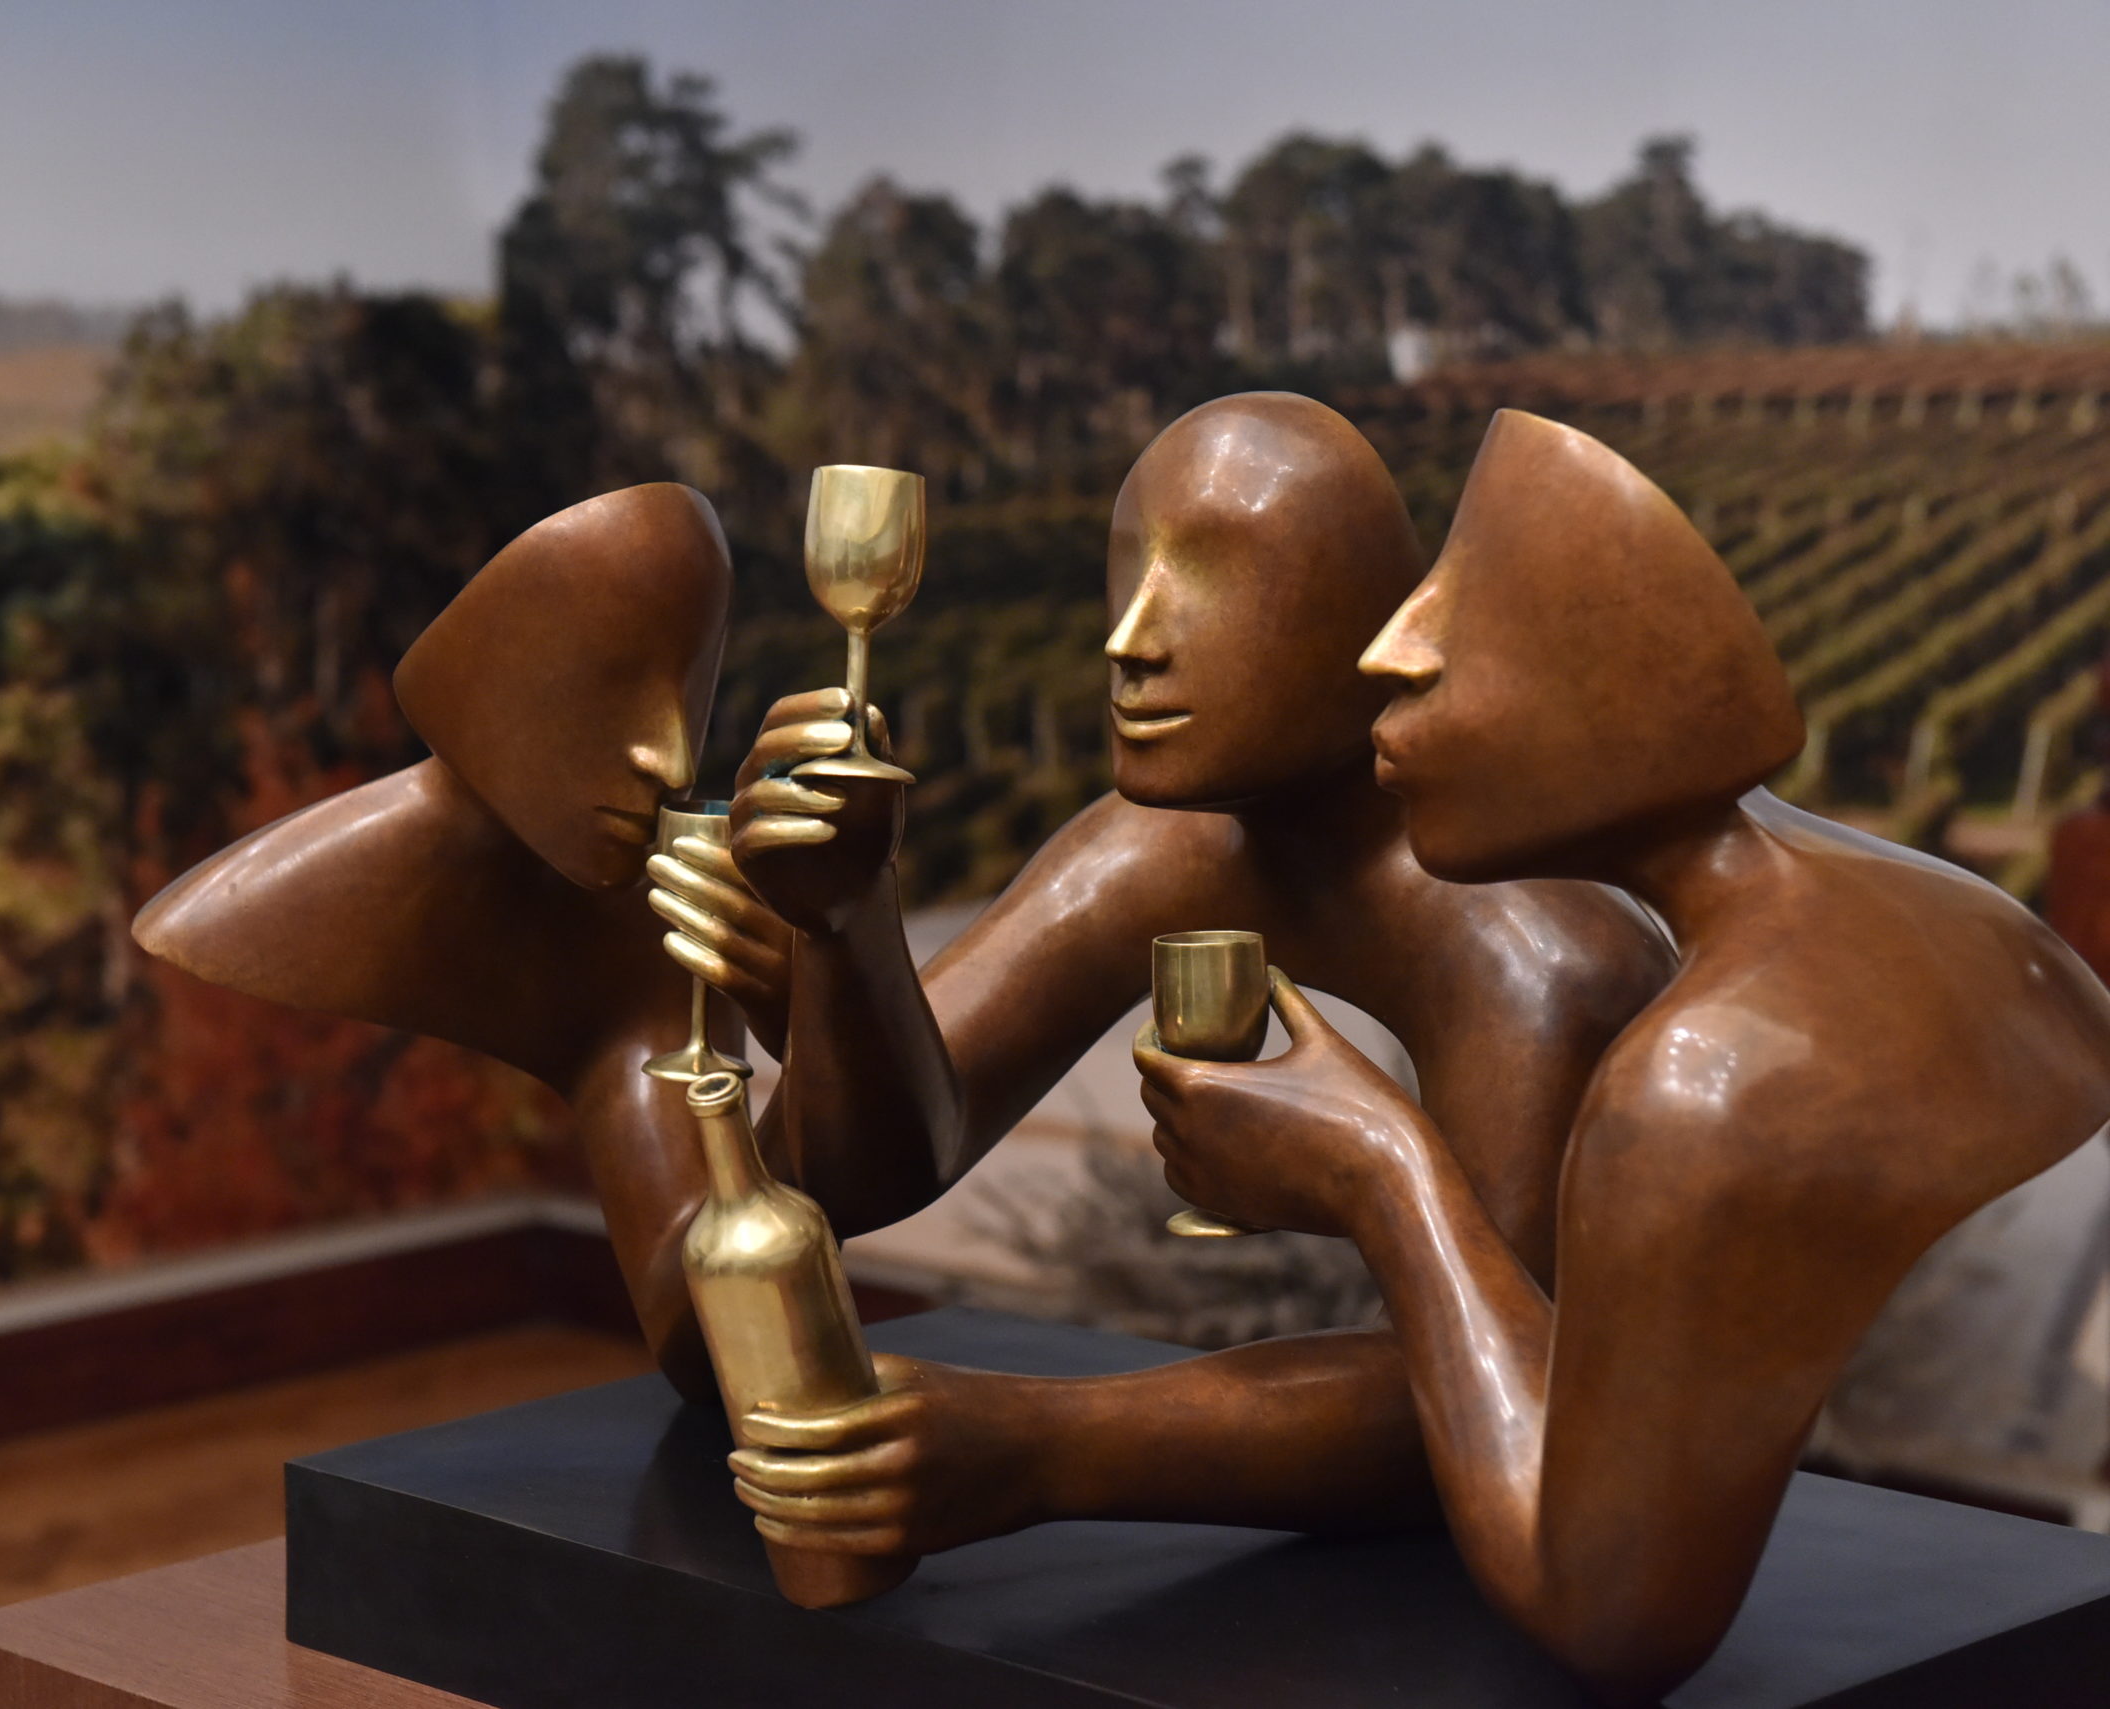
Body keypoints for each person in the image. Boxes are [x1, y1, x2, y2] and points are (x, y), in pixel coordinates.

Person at [1136, 410, 2110, 1703]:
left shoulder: (1704, 1079)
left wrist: (1381, 1168)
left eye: (1438, 663)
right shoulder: (1947, 910)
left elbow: (1610, 1616)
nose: (1386, 680)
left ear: (1607, 689)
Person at [652, 394, 1675, 1552]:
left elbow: (1508, 1399)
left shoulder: (1536, 957)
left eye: (1214, 574)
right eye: (1129, 567)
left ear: (1373, 623)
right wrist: (845, 940)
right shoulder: (1156, 846)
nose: (1129, 636)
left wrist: (1046, 1444)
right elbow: (885, 1166)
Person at [133, 483, 800, 1399]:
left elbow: (708, 1323)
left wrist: (834, 983)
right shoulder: (273, 906)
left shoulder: (648, 923)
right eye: (615, 688)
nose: (674, 759)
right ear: (494, 688)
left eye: (691, 689)